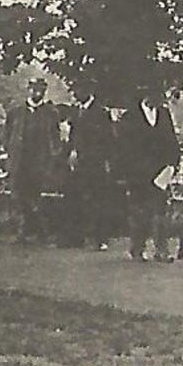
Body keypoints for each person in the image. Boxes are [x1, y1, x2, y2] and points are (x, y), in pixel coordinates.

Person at [115, 84, 181, 262]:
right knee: (139, 212)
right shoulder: (131, 116)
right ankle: (137, 249)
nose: (161, 101)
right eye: (157, 96)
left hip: (160, 173)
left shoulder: (164, 114)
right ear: (146, 96)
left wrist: (173, 164)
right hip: (138, 173)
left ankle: (162, 251)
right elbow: (125, 148)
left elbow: (171, 140)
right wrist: (137, 169)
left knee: (160, 211)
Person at [2, 77, 60, 243]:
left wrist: (53, 156)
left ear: (44, 91)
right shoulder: (16, 111)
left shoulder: (50, 113)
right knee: (19, 195)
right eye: (34, 88)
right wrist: (9, 150)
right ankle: (26, 229)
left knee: (35, 195)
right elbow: (6, 134)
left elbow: (55, 137)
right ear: (29, 89)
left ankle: (36, 230)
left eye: (40, 89)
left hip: (39, 161)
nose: (37, 92)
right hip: (20, 160)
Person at [66, 83, 115, 250]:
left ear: (88, 91)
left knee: (98, 200)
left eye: (78, 90)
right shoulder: (76, 112)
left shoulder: (101, 113)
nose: (75, 94)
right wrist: (73, 152)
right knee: (78, 198)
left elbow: (108, 139)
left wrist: (106, 161)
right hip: (79, 162)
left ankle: (101, 238)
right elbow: (73, 136)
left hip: (96, 162)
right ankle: (77, 237)